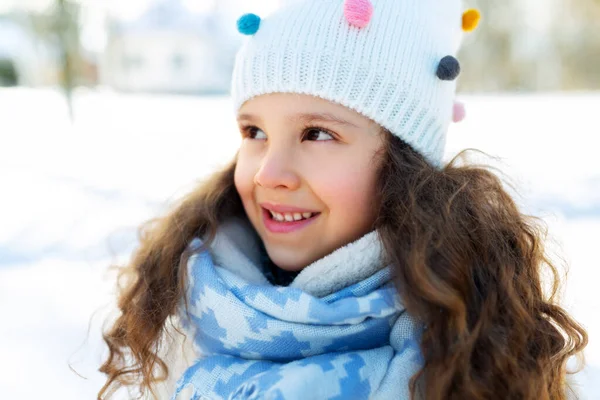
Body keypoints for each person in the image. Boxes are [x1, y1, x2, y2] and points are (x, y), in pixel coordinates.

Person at [98, 0, 587, 399]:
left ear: (406, 165)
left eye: (318, 134)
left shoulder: (481, 351)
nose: (270, 173)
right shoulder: (185, 313)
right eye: (254, 131)